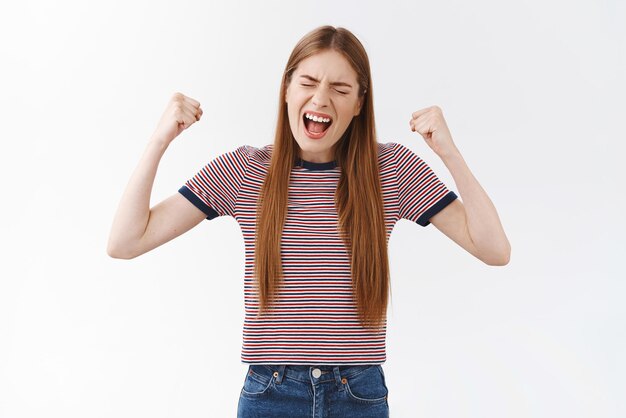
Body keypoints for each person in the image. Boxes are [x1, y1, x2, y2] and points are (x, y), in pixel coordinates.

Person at [107, 25, 510, 418]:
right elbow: (125, 242)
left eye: (340, 89)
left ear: (359, 103)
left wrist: (450, 153)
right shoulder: (247, 170)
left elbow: (494, 250)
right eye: (309, 82)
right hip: (270, 392)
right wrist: (159, 139)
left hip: (359, 393)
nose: (321, 99)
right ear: (286, 89)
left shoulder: (391, 170)